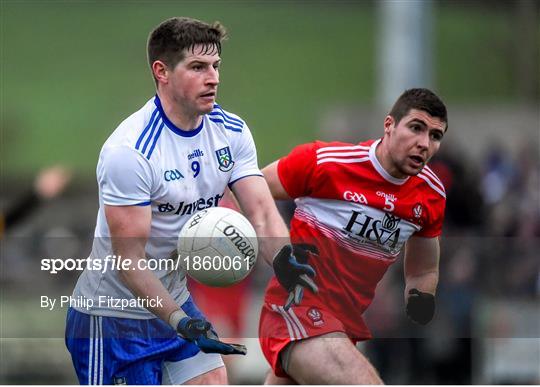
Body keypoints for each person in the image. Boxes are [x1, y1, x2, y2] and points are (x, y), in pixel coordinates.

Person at [65, 17, 315, 385]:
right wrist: (180, 321)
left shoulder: (231, 132)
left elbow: (260, 209)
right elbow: (128, 261)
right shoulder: (130, 152)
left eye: (215, 66)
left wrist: (283, 260)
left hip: (174, 300)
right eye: (198, 67)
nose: (212, 77)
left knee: (214, 379)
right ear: (161, 71)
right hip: (112, 318)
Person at [258, 88, 448, 384]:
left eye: (435, 136)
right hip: (296, 307)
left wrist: (420, 295)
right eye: (416, 128)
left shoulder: (431, 195)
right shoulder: (326, 162)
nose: (424, 143)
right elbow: (250, 190)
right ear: (389, 126)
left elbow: (424, 268)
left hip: (344, 326)